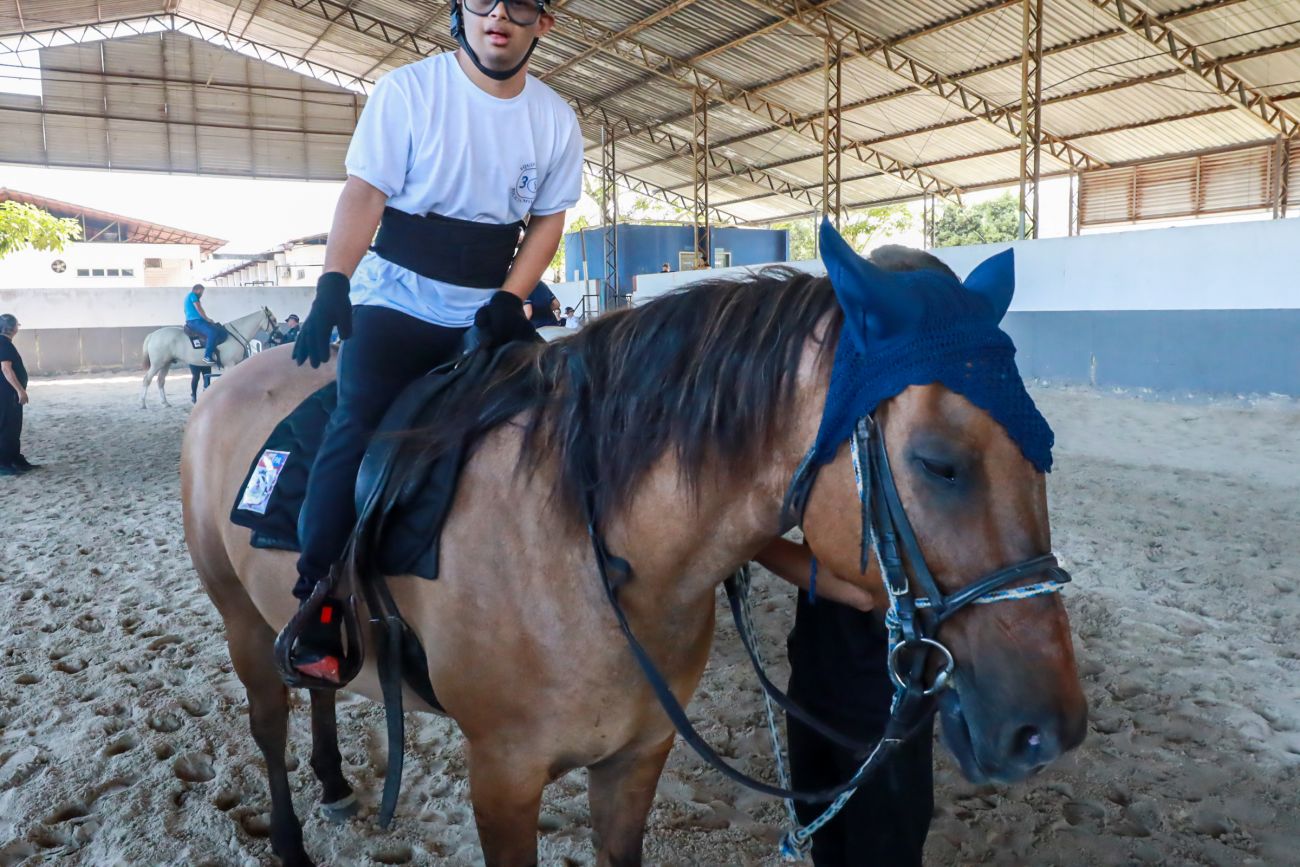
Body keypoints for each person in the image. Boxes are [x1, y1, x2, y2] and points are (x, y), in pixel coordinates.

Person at [282, 0, 582, 684]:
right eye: (482, 0)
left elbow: (548, 219)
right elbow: (365, 193)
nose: (498, 15)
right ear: (459, 12)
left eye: (519, 3)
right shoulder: (409, 91)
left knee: (559, 424)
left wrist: (509, 297)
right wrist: (333, 282)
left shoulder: (555, 118)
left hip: (488, 304)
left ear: (544, 22)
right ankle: (318, 598)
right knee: (358, 422)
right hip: (397, 295)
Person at [756, 537, 933, 866]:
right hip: (814, 680)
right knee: (825, 840)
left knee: (883, 848)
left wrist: (749, 543)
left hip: (879, 704)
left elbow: (863, 592)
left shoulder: (913, 508)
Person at [0, 314, 36, 476]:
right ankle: (4, 463)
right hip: (6, 394)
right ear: (12, 328)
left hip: (9, 394)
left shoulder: (5, 343)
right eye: (17, 325)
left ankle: (15, 459)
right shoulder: (3, 343)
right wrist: (20, 390)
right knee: (7, 428)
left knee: (14, 427)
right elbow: (6, 369)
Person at [183, 284, 224, 365]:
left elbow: (186, 311)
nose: (202, 294)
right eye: (202, 292)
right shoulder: (193, 295)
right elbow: (199, 308)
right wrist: (207, 319)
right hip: (195, 321)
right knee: (212, 332)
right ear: (198, 290)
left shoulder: (188, 297)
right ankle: (207, 356)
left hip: (194, 321)